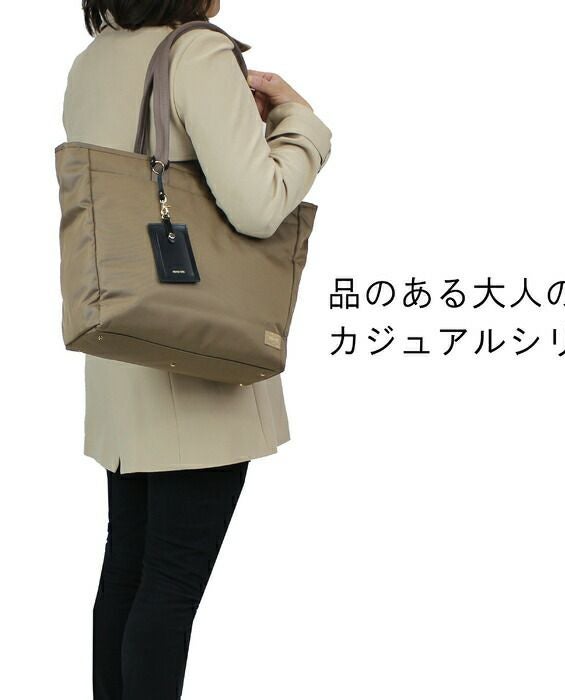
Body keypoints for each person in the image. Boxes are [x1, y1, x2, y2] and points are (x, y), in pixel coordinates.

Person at [60, 1, 332, 698]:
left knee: (128, 573)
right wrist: (299, 122)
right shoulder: (198, 53)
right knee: (170, 588)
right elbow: (259, 205)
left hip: (127, 344)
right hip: (196, 357)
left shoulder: (96, 58)